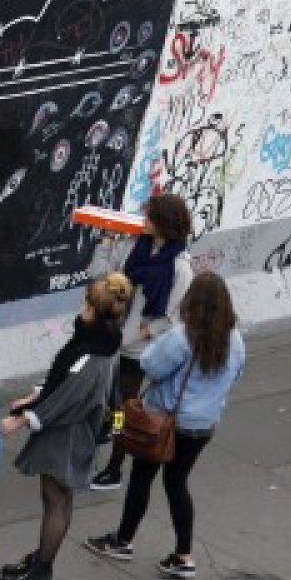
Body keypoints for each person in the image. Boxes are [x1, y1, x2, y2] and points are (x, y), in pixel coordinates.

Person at [84, 272, 245, 580]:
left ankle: (123, 540)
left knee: (142, 479)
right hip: (203, 425)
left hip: (164, 421)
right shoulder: (234, 338)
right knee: (177, 483)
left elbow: (150, 365)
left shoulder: (183, 336)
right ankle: (183, 554)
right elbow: (236, 375)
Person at [0, 274, 132, 580]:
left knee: (55, 499)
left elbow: (69, 396)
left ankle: (40, 572)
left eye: (85, 301)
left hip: (68, 435)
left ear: (94, 308)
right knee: (60, 498)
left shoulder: (92, 353)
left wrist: (24, 418)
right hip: (74, 432)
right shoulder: (102, 342)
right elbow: (63, 379)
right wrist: (35, 396)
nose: (81, 306)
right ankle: (40, 561)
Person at [90, 192, 194, 491]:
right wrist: (107, 241)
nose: (143, 220)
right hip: (112, 338)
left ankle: (114, 467)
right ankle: (101, 439)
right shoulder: (135, 246)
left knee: (124, 408)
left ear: (164, 224)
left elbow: (174, 318)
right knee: (105, 399)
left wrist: (143, 332)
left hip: (139, 349)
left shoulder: (179, 267)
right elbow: (100, 276)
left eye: (150, 217)